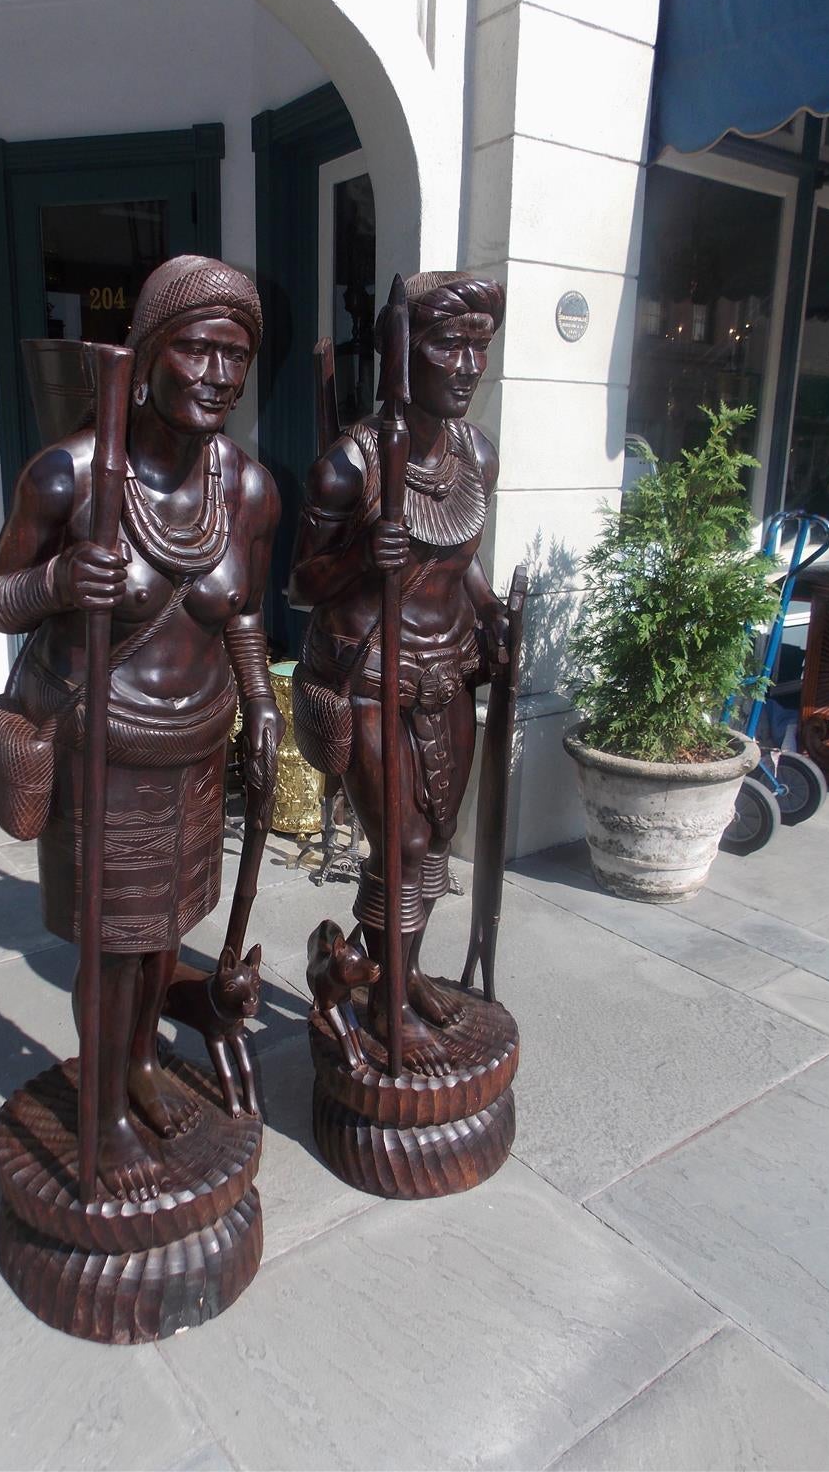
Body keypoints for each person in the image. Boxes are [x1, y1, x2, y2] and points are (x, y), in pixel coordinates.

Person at [0, 256, 281, 1200]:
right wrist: (60, 584)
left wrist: (264, 704)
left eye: (235, 356)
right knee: (112, 948)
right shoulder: (68, 475)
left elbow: (241, 612)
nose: (216, 375)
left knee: (162, 935)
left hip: (197, 747)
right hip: (100, 746)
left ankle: (143, 1067)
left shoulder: (249, 489)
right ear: (148, 354)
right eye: (194, 348)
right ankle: (102, 1108)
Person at [289, 270, 509, 1074]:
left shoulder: (475, 455)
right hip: (370, 675)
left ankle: (401, 975)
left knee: (436, 839)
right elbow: (299, 583)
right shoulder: (352, 463)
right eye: (446, 344)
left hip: (447, 671)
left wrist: (492, 612)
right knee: (402, 841)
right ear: (401, 353)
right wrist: (356, 554)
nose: (465, 365)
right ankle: (378, 1000)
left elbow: (461, 566)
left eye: (479, 347)